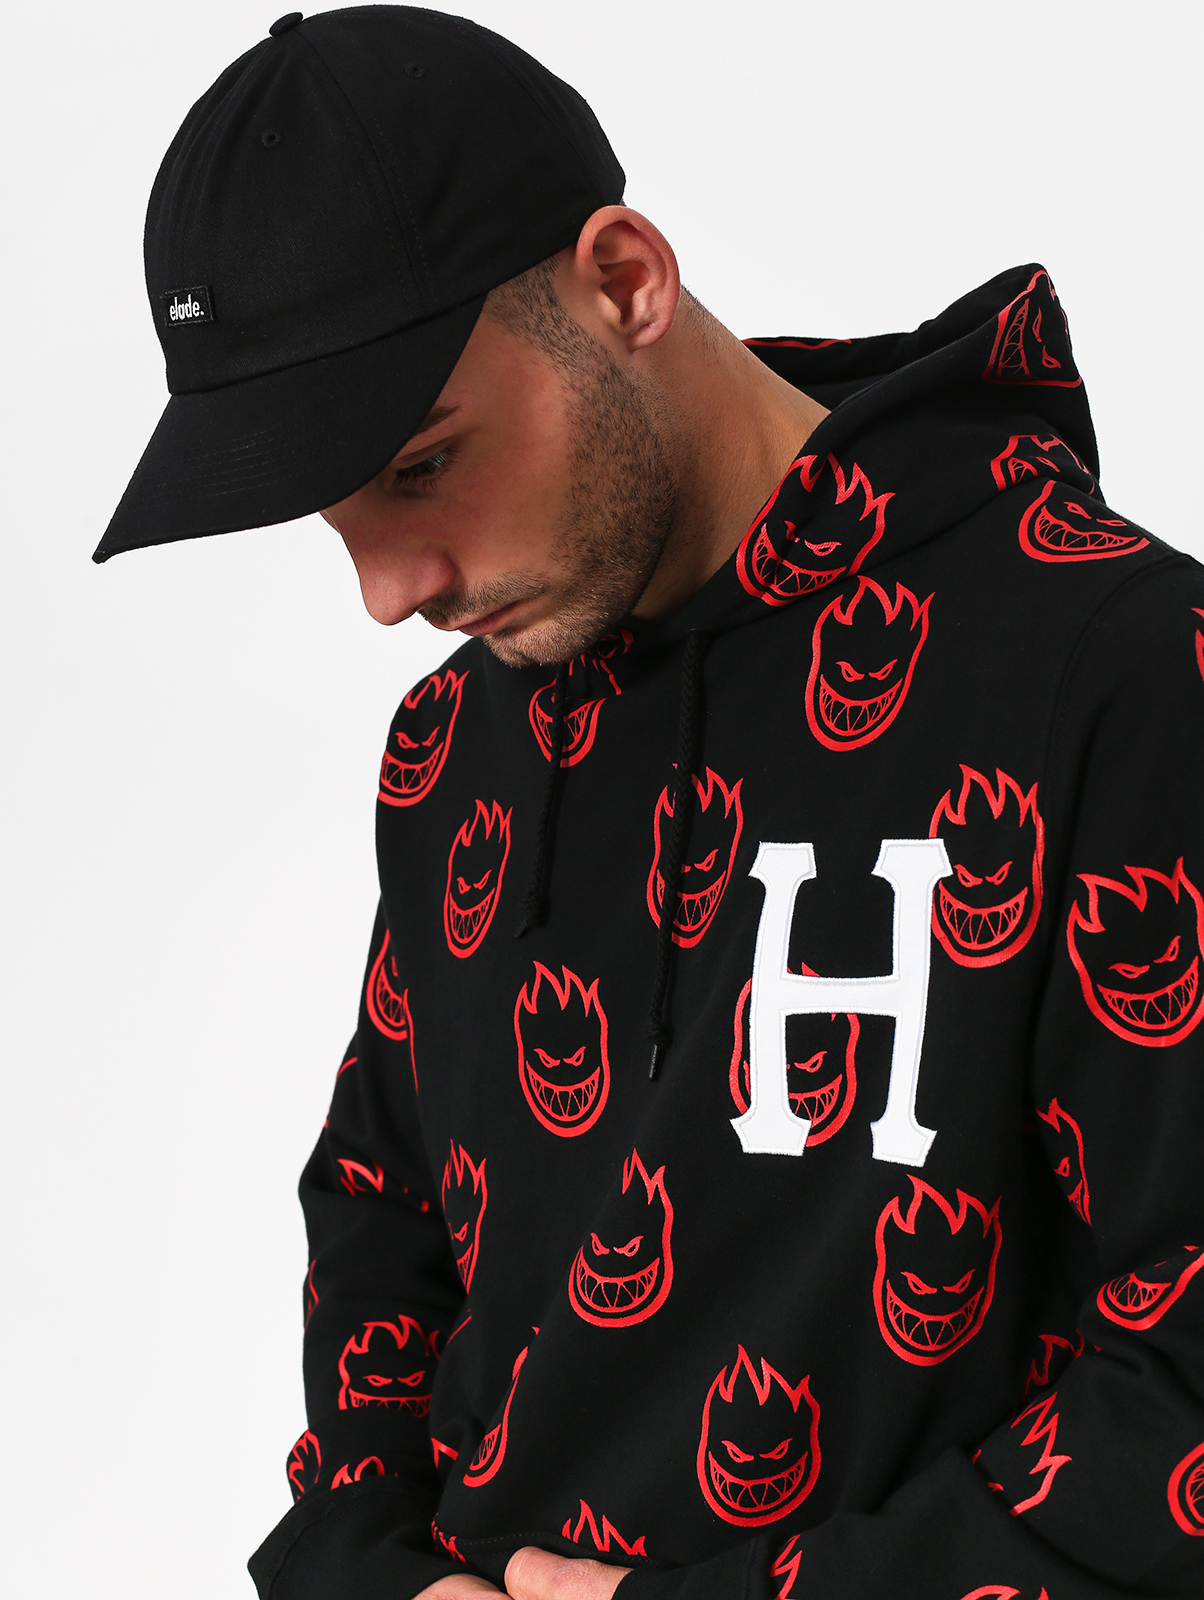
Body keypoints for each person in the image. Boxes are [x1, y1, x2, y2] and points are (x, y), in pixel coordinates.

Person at [96, 9, 1204, 1600]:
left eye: (420, 465)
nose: (389, 592)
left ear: (624, 282)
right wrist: (366, 1565)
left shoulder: (1118, 669)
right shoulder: (451, 744)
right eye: (329, 517)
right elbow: (382, 1212)